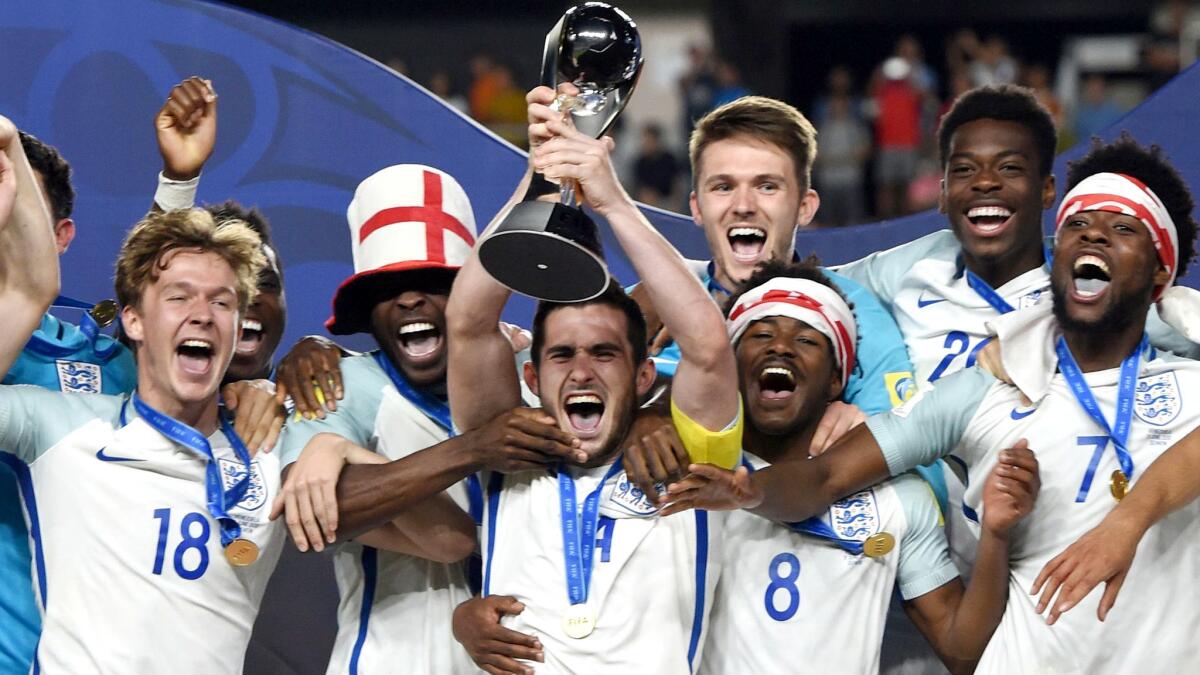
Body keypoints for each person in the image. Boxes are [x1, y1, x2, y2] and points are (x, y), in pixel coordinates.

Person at [664, 134, 1200, 672]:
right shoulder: (980, 391)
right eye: (1076, 227)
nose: (1094, 238)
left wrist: (1125, 524)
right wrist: (748, 489)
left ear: (1161, 271)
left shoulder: (1189, 384)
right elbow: (825, 478)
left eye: (1123, 229)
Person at [455, 260, 1039, 675]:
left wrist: (993, 535)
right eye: (758, 334)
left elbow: (963, 653)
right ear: (731, 363)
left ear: (836, 378)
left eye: (808, 340)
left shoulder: (900, 500)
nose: (780, 348)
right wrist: (466, 614)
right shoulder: (672, 468)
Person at [443, 83, 742, 673]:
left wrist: (610, 201)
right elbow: (468, 319)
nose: (581, 370)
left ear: (642, 376)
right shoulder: (509, 450)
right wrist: (538, 180)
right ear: (531, 372)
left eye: (605, 354)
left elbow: (708, 349)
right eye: (562, 356)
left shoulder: (689, 455)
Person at [0, 130, 287, 674]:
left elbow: (157, 307)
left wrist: (280, 386)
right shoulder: (42, 409)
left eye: (23, 217)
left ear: (58, 235)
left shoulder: (98, 361)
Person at [273, 164, 484, 673]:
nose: (411, 298)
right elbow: (321, 510)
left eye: (433, 281)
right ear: (367, 313)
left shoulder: (532, 377)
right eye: (390, 287)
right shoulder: (336, 389)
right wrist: (481, 447)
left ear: (471, 297)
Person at [637, 95, 916, 443]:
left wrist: (867, 429)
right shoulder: (654, 305)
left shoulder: (854, 311)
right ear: (697, 206)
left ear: (804, 207)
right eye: (723, 187)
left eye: (767, 186)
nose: (743, 206)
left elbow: (912, 451)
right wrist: (638, 418)